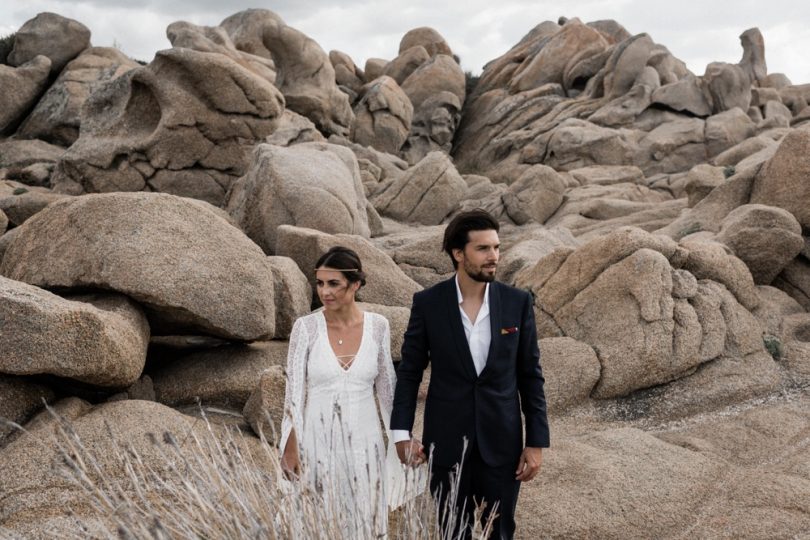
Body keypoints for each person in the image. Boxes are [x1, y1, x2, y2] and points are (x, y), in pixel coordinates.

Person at [390, 209, 550, 539]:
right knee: (452, 533)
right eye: (483, 249)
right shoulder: (428, 303)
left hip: (503, 445)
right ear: (458, 253)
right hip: (446, 444)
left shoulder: (517, 303)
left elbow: (530, 375)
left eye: (496, 247)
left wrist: (536, 442)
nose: (494, 257)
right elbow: (409, 373)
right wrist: (401, 434)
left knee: (500, 532)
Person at [279, 246, 398, 537]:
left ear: (355, 284)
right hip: (317, 443)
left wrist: (403, 439)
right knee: (314, 522)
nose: (324, 291)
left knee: (363, 522)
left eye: (334, 283)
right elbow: (294, 393)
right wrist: (290, 445)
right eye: (320, 283)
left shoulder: (378, 327)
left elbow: (387, 391)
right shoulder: (305, 328)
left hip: (365, 444)